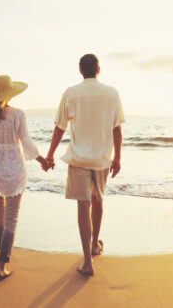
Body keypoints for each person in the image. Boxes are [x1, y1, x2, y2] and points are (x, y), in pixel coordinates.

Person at [45, 54, 124, 276]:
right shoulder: (112, 93)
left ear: (81, 70)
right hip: (101, 158)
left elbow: (60, 126)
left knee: (83, 206)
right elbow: (116, 128)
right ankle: (94, 244)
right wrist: (117, 157)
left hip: (79, 158)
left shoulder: (71, 92)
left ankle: (88, 261)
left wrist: (50, 154)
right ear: (98, 70)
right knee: (97, 200)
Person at [0, 75, 49, 280]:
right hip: (14, 168)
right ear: (9, 96)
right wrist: (41, 159)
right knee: (11, 217)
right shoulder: (18, 114)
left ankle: (2, 250)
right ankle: (1, 264)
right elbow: (26, 141)